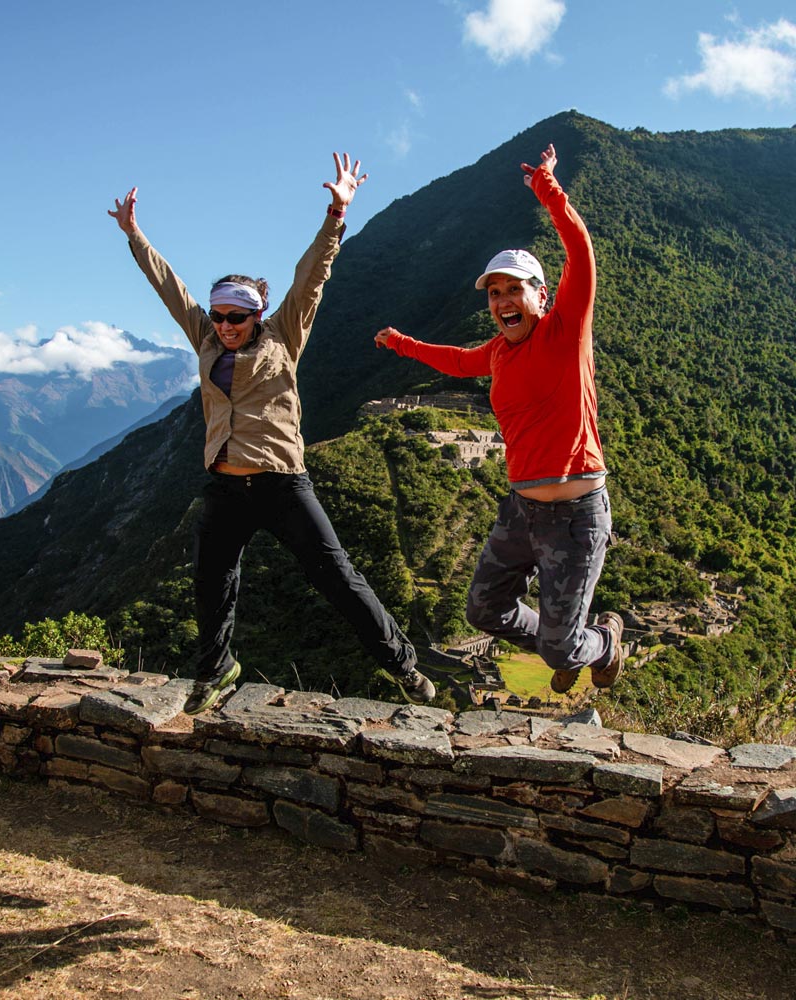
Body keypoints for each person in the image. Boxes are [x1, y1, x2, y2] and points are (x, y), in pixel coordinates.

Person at [108, 152, 434, 714]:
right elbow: (170, 287)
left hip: (283, 484)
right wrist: (135, 234)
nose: (225, 326)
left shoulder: (284, 334)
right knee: (212, 584)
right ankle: (215, 670)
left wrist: (336, 213)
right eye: (218, 316)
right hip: (226, 487)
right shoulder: (206, 340)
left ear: (257, 315)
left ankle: (404, 666)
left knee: (338, 579)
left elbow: (312, 275)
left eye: (236, 317)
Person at [374, 143, 623, 695]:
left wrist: (548, 190)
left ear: (542, 295)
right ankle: (565, 640)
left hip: (577, 515)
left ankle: (602, 642)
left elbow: (580, 250)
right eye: (495, 293)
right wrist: (401, 344)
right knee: (484, 610)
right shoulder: (496, 353)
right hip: (521, 511)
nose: (503, 300)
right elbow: (455, 361)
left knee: (562, 648)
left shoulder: (566, 330)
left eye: (515, 289)